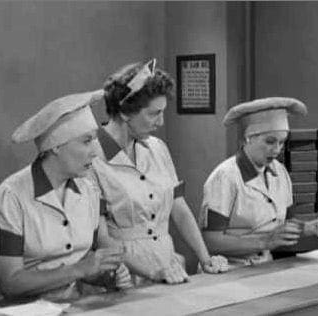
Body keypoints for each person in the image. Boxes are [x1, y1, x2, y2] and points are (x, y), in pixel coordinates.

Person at [0, 90, 132, 310]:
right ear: (56, 147)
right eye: (86, 141)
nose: (95, 152)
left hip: (72, 306)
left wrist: (104, 275)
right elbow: (10, 282)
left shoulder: (89, 190)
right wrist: (80, 269)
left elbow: (82, 262)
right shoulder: (10, 197)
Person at [90, 59, 228, 285]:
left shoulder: (157, 148)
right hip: (123, 275)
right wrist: (151, 273)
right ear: (125, 112)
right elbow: (102, 238)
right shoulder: (92, 157)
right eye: (154, 114)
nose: (161, 122)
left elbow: (179, 208)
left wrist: (206, 259)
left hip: (168, 268)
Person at [200, 97, 318, 266]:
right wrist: (264, 241)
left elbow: (287, 225)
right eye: (270, 141)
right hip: (228, 270)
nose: (277, 150)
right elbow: (210, 240)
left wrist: (311, 227)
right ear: (247, 139)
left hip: (265, 266)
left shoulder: (280, 172)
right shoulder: (225, 177)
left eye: (282, 142)